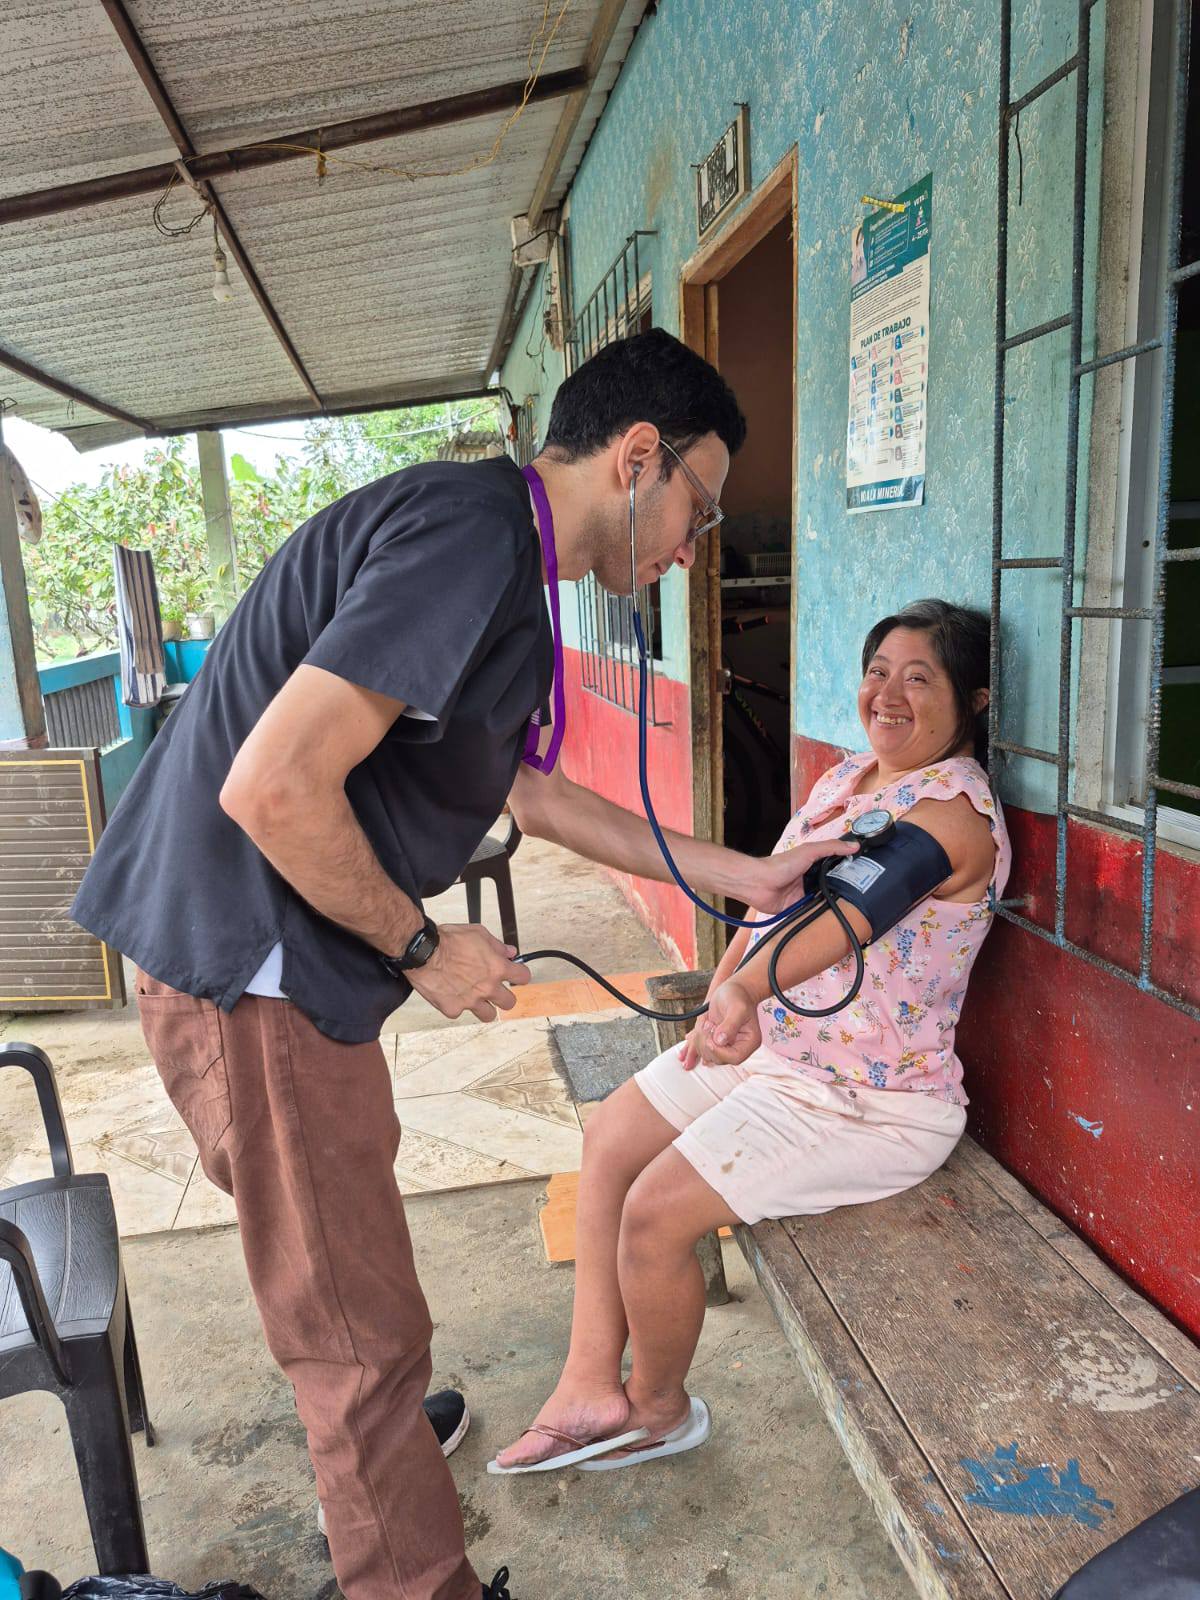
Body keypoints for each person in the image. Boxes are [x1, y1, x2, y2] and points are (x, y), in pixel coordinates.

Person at [71, 329, 854, 1600]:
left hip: (280, 962)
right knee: (353, 1332)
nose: (692, 548)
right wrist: (425, 945)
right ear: (638, 458)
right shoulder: (472, 540)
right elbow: (273, 785)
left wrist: (739, 873)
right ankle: (406, 1554)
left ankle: (380, 1450)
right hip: (253, 960)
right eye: (699, 508)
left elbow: (532, 794)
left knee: (349, 1260)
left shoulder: (508, 564)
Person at [494, 598, 1010, 1473]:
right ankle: (586, 1381)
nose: (888, 694)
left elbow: (851, 913)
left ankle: (659, 1409)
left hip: (868, 1099)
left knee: (655, 1213)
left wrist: (743, 990)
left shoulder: (955, 812)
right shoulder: (845, 781)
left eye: (920, 678)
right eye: (878, 671)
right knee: (611, 1137)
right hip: (777, 1052)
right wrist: (720, 996)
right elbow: (773, 897)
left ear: (975, 701)